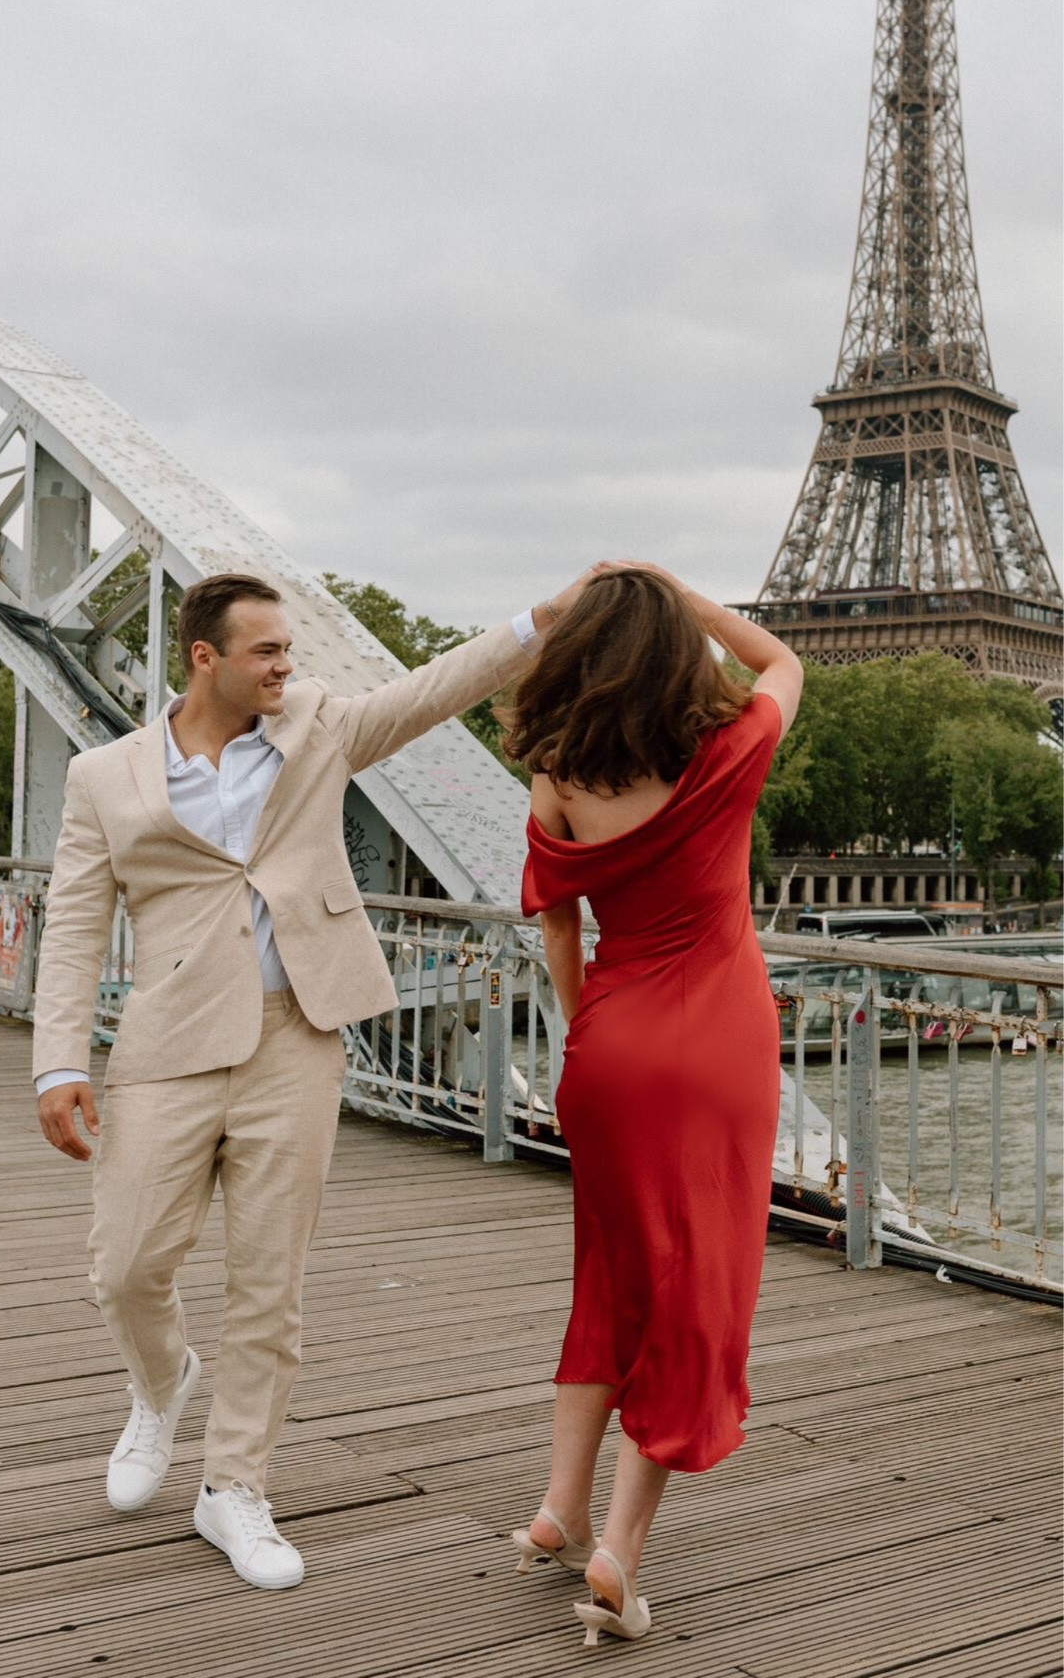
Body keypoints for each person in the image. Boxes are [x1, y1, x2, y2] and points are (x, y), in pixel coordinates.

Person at [32, 566, 593, 1590]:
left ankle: (234, 1484)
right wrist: (61, 1059)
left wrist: (536, 623)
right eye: (268, 652)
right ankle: (162, 1381)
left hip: (299, 1030)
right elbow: (72, 922)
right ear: (205, 658)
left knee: (268, 1283)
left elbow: (428, 692)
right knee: (125, 1264)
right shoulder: (103, 776)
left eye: (291, 649)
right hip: (166, 1041)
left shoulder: (319, 726)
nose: (288, 665)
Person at [506, 565, 802, 1648]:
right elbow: (782, 659)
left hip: (609, 1046)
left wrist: (595, 1028)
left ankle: (558, 1500)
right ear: (677, 651)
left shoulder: (556, 770)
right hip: (717, 1048)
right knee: (690, 1298)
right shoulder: (731, 753)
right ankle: (618, 1553)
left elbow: (557, 929)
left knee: (611, 1274)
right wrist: (683, 593)